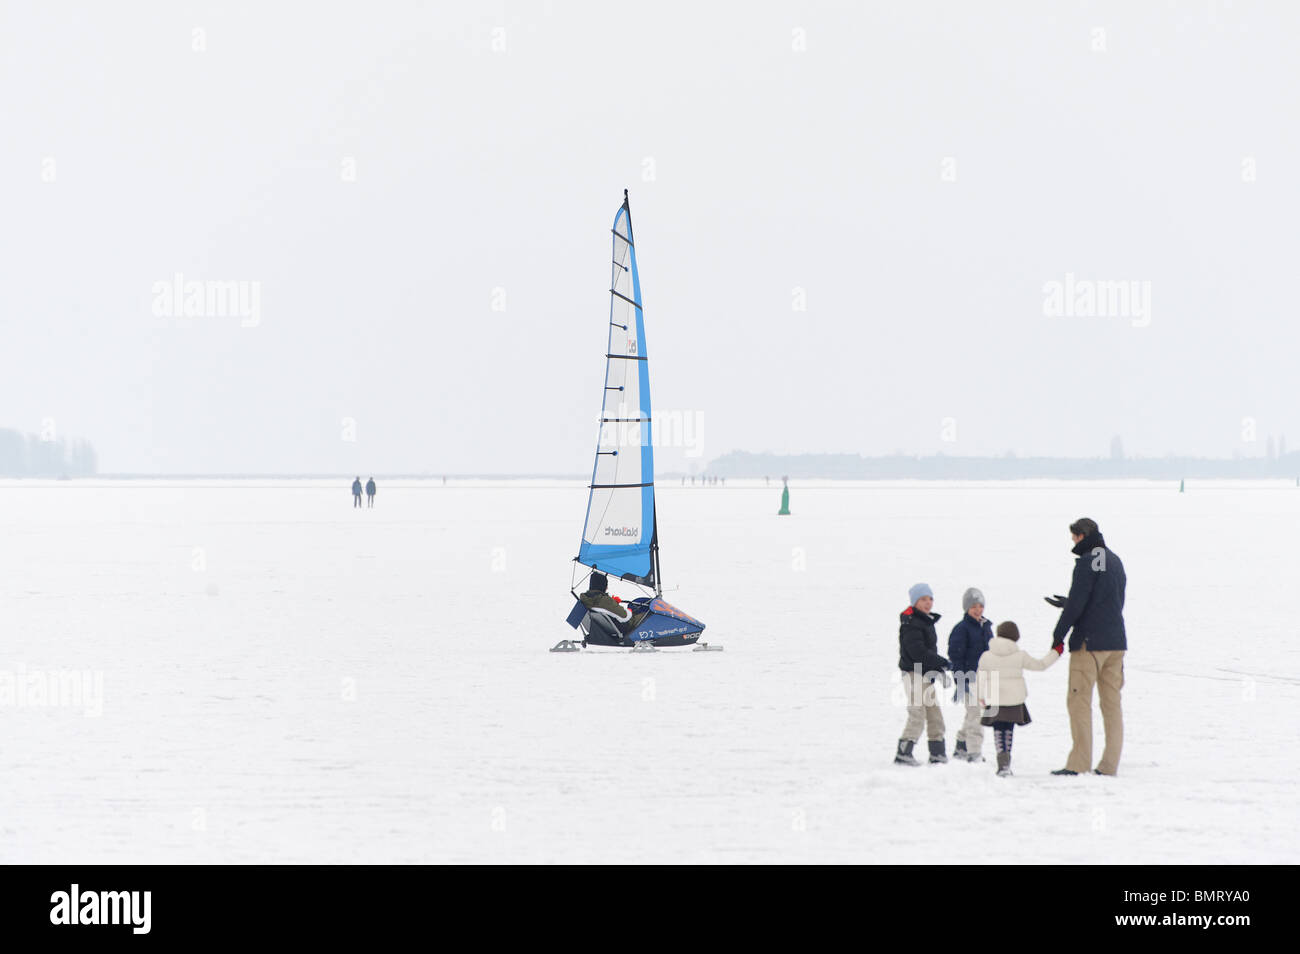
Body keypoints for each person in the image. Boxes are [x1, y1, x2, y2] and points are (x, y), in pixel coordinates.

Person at [1046, 517, 1128, 776]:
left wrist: (1058, 635)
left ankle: (1078, 764)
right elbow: (1110, 600)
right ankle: (1109, 765)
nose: (1072, 542)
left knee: (1079, 701)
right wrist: (1071, 602)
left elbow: (1079, 602)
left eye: (1073, 537)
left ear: (1082, 535)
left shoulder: (1086, 562)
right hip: (1116, 643)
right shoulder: (1113, 560)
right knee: (1111, 705)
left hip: (1089, 644)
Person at [977, 621, 1063, 776]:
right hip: (1014, 699)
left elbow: (980, 678)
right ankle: (1006, 764)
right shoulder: (1020, 655)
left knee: (998, 730)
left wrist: (980, 696)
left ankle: (1001, 764)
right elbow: (1041, 665)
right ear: (1015, 637)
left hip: (995, 699)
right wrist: (1056, 652)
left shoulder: (986, 655)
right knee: (1008, 730)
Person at [894, 583, 952, 766]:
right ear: (915, 602)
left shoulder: (925, 621)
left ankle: (938, 753)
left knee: (935, 715)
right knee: (917, 713)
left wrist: (937, 669)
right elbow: (918, 652)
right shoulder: (911, 623)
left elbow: (926, 654)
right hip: (913, 674)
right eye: (923, 599)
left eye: (930, 599)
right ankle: (904, 752)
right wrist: (941, 663)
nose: (928, 603)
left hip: (925, 675)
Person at [948, 587, 993, 762]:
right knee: (976, 715)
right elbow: (956, 656)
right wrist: (960, 680)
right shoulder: (962, 629)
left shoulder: (986, 627)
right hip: (968, 678)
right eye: (973, 606)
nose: (977, 609)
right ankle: (974, 752)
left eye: (980, 606)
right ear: (966, 608)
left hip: (983, 680)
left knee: (973, 713)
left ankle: (961, 745)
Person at [577, 571, 647, 634]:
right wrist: (628, 611)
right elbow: (625, 616)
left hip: (609, 626)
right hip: (626, 626)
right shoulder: (604, 600)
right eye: (606, 585)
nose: (607, 588)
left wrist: (614, 603)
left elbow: (605, 608)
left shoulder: (587, 599)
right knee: (649, 614)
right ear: (602, 586)